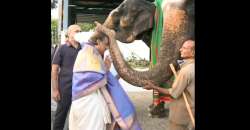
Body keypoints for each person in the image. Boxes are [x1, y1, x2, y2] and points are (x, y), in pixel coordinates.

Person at [69, 24, 141, 130]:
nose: (107, 48)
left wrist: (106, 69)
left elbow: (100, 78)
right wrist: (106, 68)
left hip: (89, 103)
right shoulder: (88, 53)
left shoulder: (93, 53)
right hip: (89, 106)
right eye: (106, 44)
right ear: (97, 41)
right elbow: (97, 78)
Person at [144, 40, 195, 130]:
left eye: (184, 48)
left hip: (181, 116)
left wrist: (153, 87)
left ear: (193, 52)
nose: (180, 49)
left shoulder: (185, 71)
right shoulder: (189, 68)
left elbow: (172, 93)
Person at [51, 24, 82, 130]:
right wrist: (55, 90)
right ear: (69, 34)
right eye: (76, 31)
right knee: (60, 116)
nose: (79, 33)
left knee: (78, 117)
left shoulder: (84, 49)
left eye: (80, 31)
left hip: (81, 89)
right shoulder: (62, 48)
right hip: (65, 89)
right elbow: (54, 70)